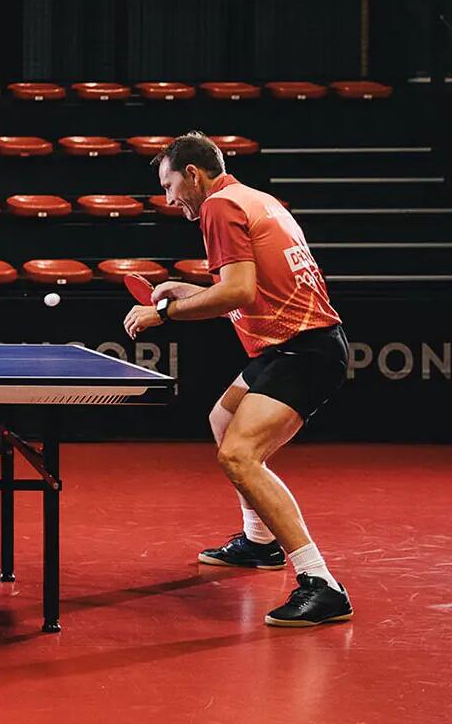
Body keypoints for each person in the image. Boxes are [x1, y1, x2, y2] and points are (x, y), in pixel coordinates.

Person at [125, 131, 353, 627]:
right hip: (291, 344)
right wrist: (185, 288)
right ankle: (258, 543)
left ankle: (320, 583)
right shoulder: (254, 197)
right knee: (224, 417)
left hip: (304, 350)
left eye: (169, 187)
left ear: (193, 174)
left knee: (239, 456)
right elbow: (250, 284)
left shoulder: (217, 207)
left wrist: (164, 313)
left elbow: (239, 292)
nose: (168, 201)